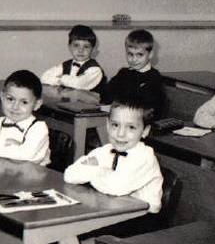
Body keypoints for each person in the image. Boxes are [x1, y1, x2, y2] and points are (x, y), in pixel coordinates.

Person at [64, 97, 164, 235]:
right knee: (67, 222)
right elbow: (70, 175)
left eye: (131, 127)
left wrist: (94, 169)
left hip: (140, 221)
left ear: (145, 131)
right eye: (115, 125)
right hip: (111, 210)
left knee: (74, 228)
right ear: (107, 124)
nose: (120, 134)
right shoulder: (104, 150)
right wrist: (104, 175)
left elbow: (116, 188)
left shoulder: (145, 156)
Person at [99, 29, 166, 121]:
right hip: (117, 117)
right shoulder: (123, 73)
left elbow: (154, 109)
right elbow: (106, 94)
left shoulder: (154, 77)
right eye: (130, 54)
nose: (134, 59)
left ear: (150, 54)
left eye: (139, 55)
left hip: (140, 123)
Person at [39, 24, 106, 95]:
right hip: (69, 102)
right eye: (76, 45)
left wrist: (60, 79)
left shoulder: (95, 69)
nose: (81, 50)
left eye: (86, 47)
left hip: (90, 104)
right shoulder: (66, 64)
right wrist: (63, 81)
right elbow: (44, 77)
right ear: (69, 47)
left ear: (93, 49)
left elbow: (79, 84)